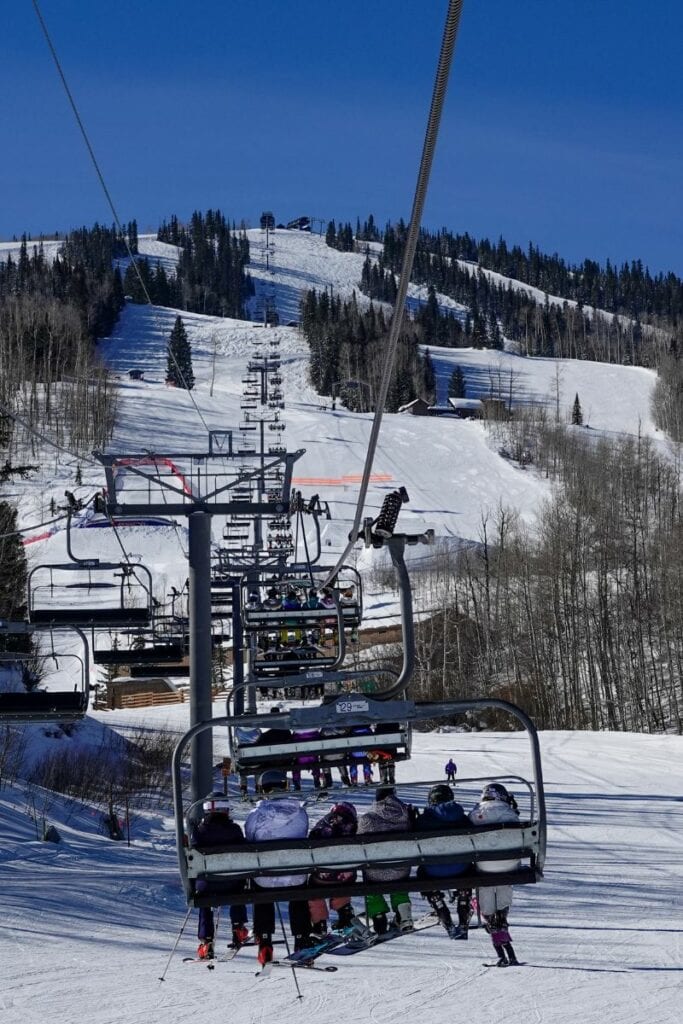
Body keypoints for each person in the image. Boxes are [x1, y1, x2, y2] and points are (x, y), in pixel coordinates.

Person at [244, 769, 312, 965]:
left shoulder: (255, 816)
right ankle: (301, 939)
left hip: (265, 877)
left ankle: (264, 940)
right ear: (286, 786)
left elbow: (250, 840)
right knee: (298, 893)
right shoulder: (300, 814)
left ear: (262, 790)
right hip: (295, 877)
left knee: (261, 888)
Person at [190, 795, 249, 958]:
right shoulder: (235, 830)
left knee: (204, 900)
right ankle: (238, 927)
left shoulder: (199, 831)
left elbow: (193, 858)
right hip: (232, 883)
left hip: (207, 885)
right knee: (239, 886)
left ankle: (206, 941)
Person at [469, 782, 521, 966]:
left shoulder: (476, 814)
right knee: (502, 882)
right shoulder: (510, 813)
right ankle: (501, 916)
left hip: (485, 866)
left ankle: (491, 919)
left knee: (486, 888)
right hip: (509, 865)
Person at [414, 784, 471, 939]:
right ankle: (464, 899)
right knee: (470, 866)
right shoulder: (461, 816)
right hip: (461, 869)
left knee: (422, 871)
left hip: (433, 871)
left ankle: (436, 901)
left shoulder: (424, 820)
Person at [356, 785, 413, 934]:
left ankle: (378, 914)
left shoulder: (367, 819)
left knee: (367, 871)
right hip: (400, 871)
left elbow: (358, 845)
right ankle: (404, 913)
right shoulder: (406, 816)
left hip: (375, 873)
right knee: (399, 870)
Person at [307, 802, 365, 936]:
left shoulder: (321, 826)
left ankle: (319, 924)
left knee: (313, 889)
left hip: (322, 878)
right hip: (346, 877)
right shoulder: (355, 828)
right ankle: (345, 914)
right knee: (343, 876)